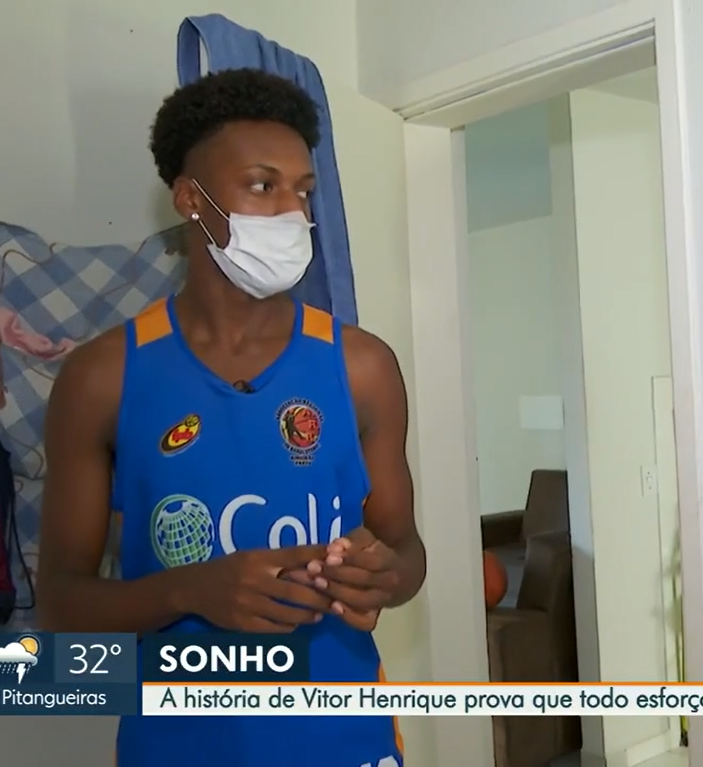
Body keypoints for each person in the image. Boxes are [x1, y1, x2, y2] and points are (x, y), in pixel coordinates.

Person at [36, 68, 424, 767]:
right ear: (191, 198)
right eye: (262, 185)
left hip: (347, 743)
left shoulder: (362, 367)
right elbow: (60, 606)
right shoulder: (102, 377)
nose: (291, 213)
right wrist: (190, 590)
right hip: (175, 747)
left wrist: (381, 577)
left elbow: (407, 554)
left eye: (302, 190)